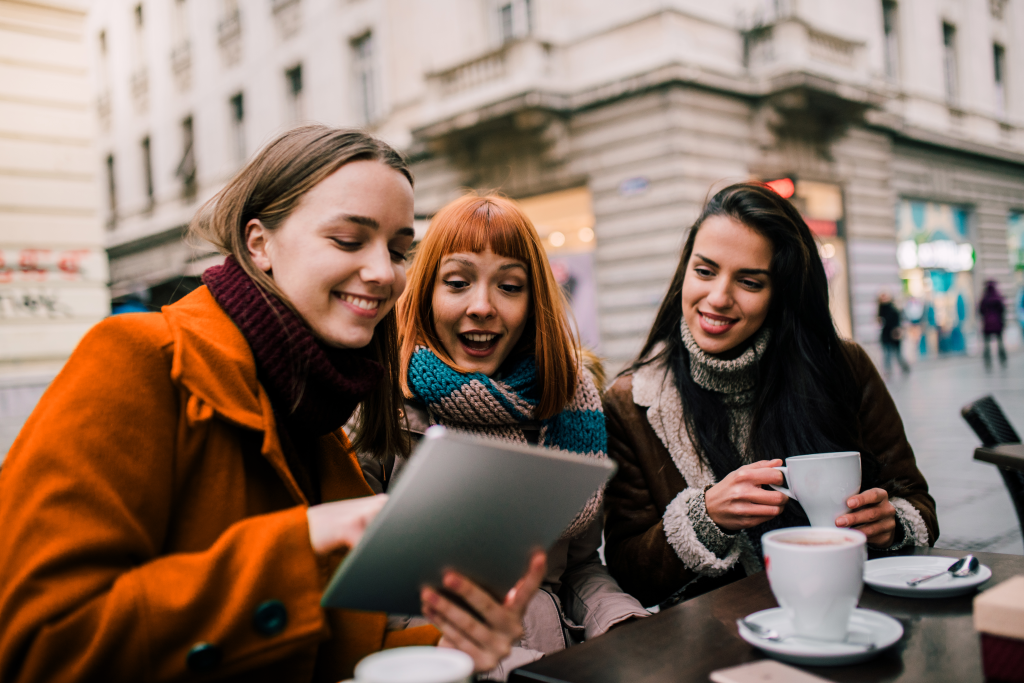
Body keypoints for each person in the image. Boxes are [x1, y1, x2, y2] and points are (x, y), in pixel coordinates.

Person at [0, 126, 545, 683]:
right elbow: (38, 646)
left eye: (400, 249)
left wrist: (451, 645)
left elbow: (325, 642)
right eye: (348, 240)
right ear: (259, 243)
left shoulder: (317, 410)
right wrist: (305, 540)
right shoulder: (137, 358)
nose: (385, 273)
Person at [602, 183, 938, 608]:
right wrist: (705, 518)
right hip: (719, 644)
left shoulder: (842, 366)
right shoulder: (630, 402)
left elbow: (917, 502)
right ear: (684, 272)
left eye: (749, 281)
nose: (718, 298)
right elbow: (629, 571)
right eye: (704, 271)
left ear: (780, 294)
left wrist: (892, 522)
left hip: (851, 610)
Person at [360, 194, 648, 680]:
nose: (482, 307)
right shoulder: (380, 413)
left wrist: (620, 622)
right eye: (457, 282)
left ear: (532, 301)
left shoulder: (569, 406)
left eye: (509, 286)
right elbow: (372, 605)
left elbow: (579, 569)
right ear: (426, 293)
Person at [877, 291, 910, 376]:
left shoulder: (893, 307)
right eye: (882, 297)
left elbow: (897, 321)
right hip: (886, 335)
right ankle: (888, 371)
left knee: (898, 354)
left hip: (894, 334)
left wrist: (898, 331)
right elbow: (880, 321)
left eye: (885, 296)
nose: (884, 299)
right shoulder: (881, 308)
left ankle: (905, 367)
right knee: (887, 355)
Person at [979, 280, 1007, 368]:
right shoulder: (997, 297)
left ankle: (987, 361)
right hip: (997, 324)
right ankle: (1002, 359)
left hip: (987, 325)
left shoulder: (984, 298)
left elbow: (981, 311)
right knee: (1000, 343)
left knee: (987, 344)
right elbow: (1002, 310)